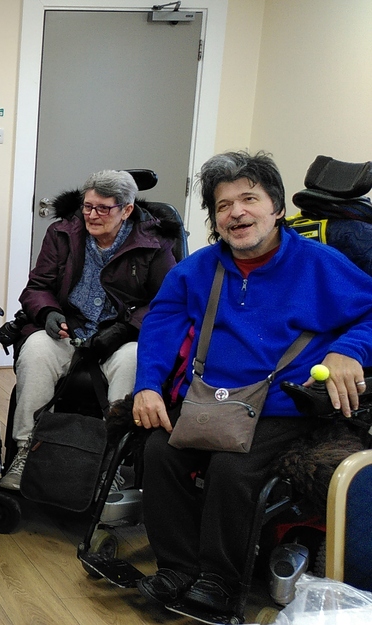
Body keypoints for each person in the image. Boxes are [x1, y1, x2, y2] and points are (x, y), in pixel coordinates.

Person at [131, 151, 372, 617]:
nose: (236, 212)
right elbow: (161, 322)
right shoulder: (197, 269)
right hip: (211, 399)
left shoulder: (320, 264)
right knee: (159, 452)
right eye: (223, 206)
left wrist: (350, 350)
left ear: (277, 208)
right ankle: (178, 569)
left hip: (283, 405)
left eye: (249, 199)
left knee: (231, 469)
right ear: (216, 220)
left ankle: (220, 580)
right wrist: (147, 385)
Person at [0, 170, 179, 491]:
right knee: (37, 349)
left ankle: (111, 462)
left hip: (121, 337)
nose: (91, 216)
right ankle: (28, 449)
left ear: (126, 209)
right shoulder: (63, 233)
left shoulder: (154, 242)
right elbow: (37, 287)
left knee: (133, 360)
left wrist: (125, 329)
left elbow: (167, 302)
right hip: (71, 330)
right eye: (87, 206)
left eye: (103, 208)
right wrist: (49, 311)